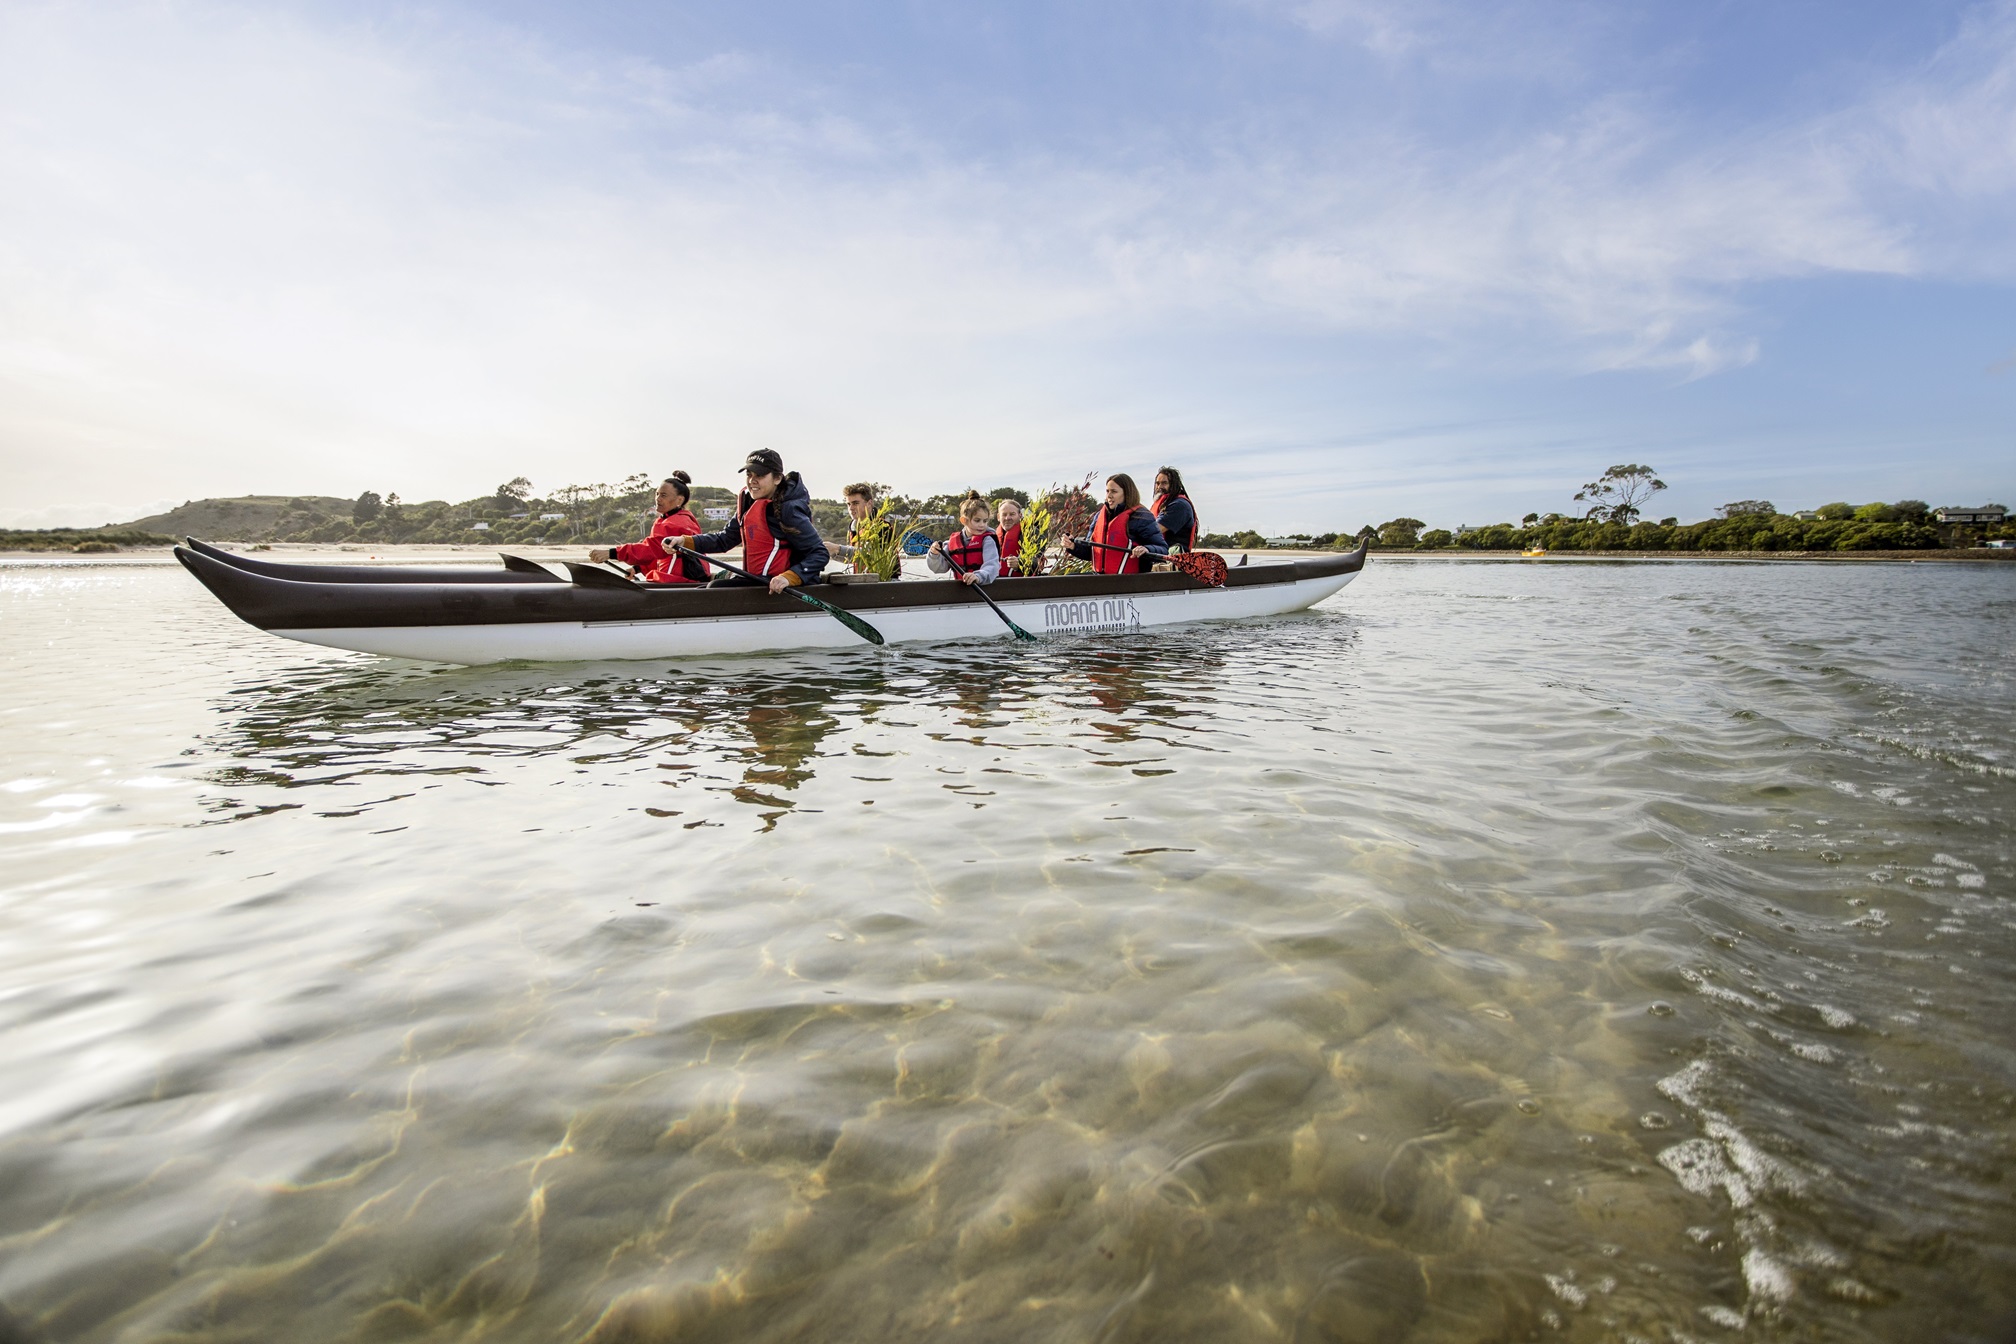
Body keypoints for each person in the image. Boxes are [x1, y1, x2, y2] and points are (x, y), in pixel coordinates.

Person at [665, 449, 828, 593]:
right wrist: (684, 541)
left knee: (715, 588)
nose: (752, 480)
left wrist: (790, 577)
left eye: (760, 475)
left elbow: (819, 553)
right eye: (749, 475)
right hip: (760, 583)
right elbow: (724, 540)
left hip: (784, 588)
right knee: (709, 587)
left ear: (777, 478)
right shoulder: (748, 504)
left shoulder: (789, 510)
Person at [589, 472, 706, 584]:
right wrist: (638, 568)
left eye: (663, 495)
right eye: (657, 494)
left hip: (679, 581)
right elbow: (662, 555)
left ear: (679, 500)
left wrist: (612, 553)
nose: (658, 499)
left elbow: (651, 548)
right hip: (680, 579)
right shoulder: (672, 519)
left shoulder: (677, 522)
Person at [1068, 473, 1166, 575]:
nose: (1109, 496)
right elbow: (1090, 552)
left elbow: (1162, 549)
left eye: (1114, 492)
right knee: (1065, 582)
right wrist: (1073, 546)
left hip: (1130, 582)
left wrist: (1146, 549)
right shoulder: (1099, 516)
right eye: (1107, 491)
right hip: (1100, 579)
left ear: (1127, 493)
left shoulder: (1142, 517)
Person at [927, 493, 1001, 585]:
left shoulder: (988, 540)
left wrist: (978, 576)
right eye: (977, 520)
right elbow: (939, 568)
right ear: (964, 520)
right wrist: (934, 554)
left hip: (984, 590)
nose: (982, 525)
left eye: (985, 521)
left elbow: (992, 566)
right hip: (961, 592)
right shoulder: (951, 543)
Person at [1151, 467, 1199, 553]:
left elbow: (1155, 530)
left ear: (1173, 484)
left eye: (1164, 483)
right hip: (1160, 556)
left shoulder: (1179, 505)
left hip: (1173, 560)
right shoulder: (1165, 504)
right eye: (1157, 483)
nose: (1159, 487)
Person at [995, 498, 1025, 576]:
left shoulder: (1031, 533)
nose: (1007, 518)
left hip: (1023, 583)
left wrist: (1020, 563)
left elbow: (1038, 560)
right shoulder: (991, 536)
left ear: (1020, 515)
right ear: (998, 517)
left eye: (1012, 514)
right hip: (997, 583)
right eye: (1004, 514)